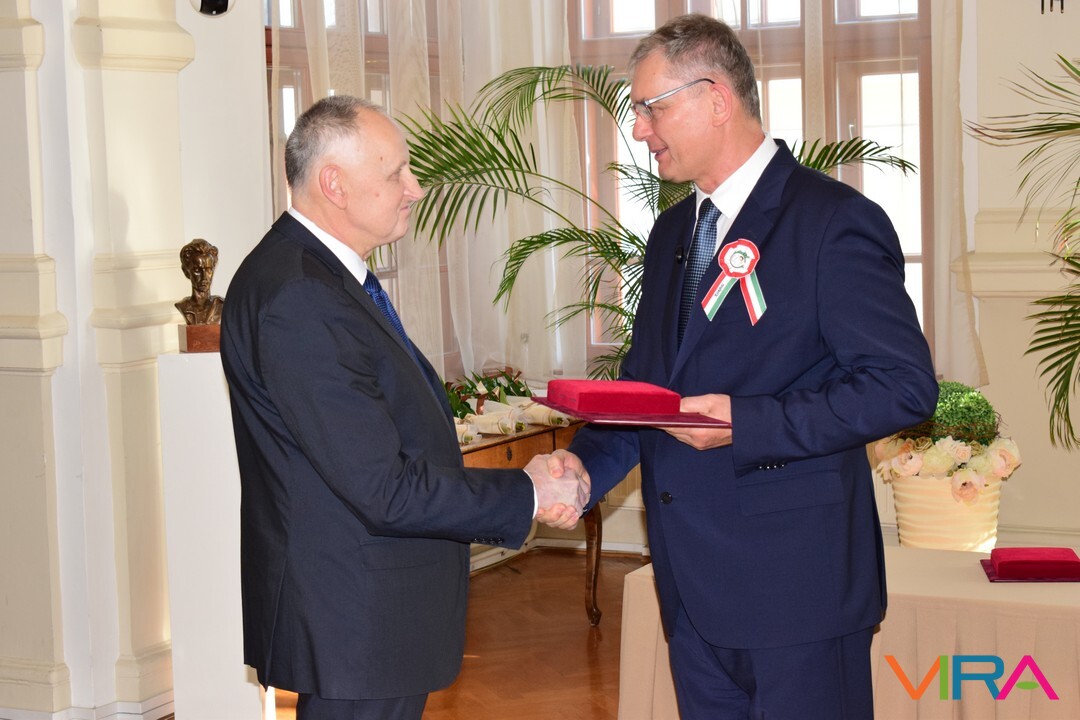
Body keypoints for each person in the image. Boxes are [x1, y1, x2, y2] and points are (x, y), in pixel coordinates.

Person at [553, 14, 937, 719]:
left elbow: (903, 388)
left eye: (651, 108)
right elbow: (650, 389)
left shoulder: (833, 221)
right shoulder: (673, 231)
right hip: (691, 591)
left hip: (798, 592)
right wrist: (583, 466)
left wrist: (748, 424)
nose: (639, 129)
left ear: (716, 99)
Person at [220, 95, 589, 720]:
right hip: (354, 617)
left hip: (362, 611)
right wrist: (526, 492)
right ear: (334, 183)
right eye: (395, 174)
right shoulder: (300, 295)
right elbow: (382, 487)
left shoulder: (319, 276)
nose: (415, 188)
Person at [175, 238, 224, 325]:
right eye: (197, 270)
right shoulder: (184, 306)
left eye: (208, 270)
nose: (204, 277)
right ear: (186, 272)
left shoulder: (220, 304)